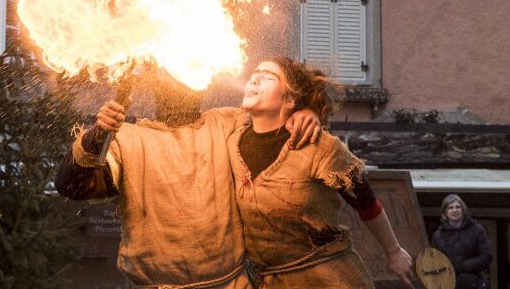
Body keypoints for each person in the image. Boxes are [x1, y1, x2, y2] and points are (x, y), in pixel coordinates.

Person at [55, 69, 321, 289]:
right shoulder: (125, 138)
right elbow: (70, 185)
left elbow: (280, 123)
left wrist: (304, 113)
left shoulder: (229, 123)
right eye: (168, 77)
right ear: (155, 87)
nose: (177, 82)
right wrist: (97, 135)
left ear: (201, 84)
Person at [226, 57, 413, 288]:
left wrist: (394, 252)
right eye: (255, 73)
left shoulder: (320, 146)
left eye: (269, 77)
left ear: (290, 99)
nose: (255, 79)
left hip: (331, 278)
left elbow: (367, 203)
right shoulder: (231, 141)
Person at [432, 194, 493, 289]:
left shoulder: (476, 230)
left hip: (473, 282)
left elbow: (486, 257)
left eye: (458, 207)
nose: (454, 210)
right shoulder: (438, 235)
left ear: (463, 210)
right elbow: (434, 262)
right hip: (447, 284)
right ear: (445, 212)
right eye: (450, 207)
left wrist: (463, 266)